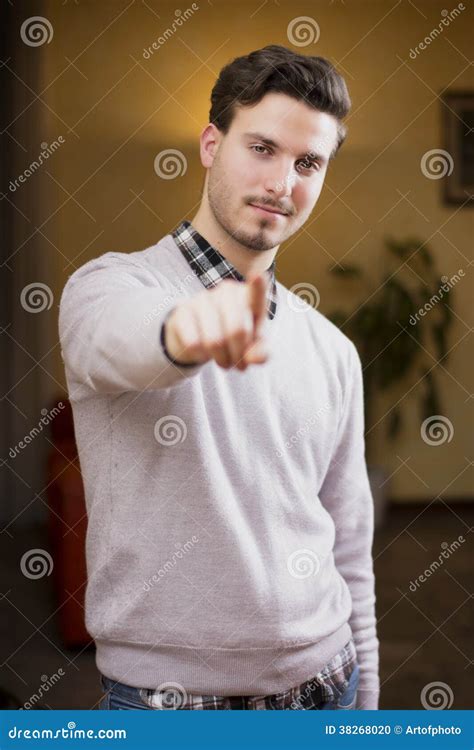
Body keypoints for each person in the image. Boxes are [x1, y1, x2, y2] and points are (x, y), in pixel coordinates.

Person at [59, 44, 379, 711]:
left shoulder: (332, 349)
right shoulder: (108, 287)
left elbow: (349, 542)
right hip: (175, 704)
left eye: (308, 163)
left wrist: (367, 698)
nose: (282, 183)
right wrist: (190, 330)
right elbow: (124, 338)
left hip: (331, 679)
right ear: (210, 144)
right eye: (261, 147)